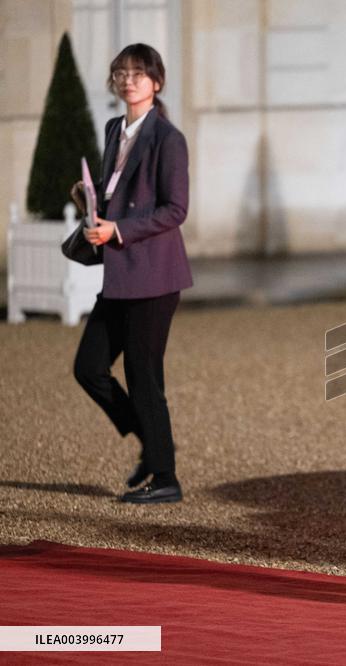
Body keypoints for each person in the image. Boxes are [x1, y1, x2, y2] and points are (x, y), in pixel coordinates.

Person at [71, 43, 192, 504]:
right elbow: (115, 190)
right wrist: (91, 200)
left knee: (144, 378)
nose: (128, 80)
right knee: (88, 368)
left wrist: (118, 228)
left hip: (155, 277)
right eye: (121, 72)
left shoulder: (168, 139)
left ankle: (166, 480)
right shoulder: (112, 129)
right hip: (121, 274)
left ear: (156, 82)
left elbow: (176, 210)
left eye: (138, 73)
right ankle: (153, 443)